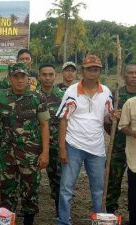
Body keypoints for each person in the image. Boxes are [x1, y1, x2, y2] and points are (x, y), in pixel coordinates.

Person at [0, 62, 50, 225]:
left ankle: (28, 221)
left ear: (28, 78)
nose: (20, 80)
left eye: (23, 76)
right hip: (7, 154)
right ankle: (7, 221)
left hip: (30, 155)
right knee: (7, 191)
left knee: (30, 191)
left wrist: (45, 152)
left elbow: (44, 125)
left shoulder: (38, 97)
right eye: (16, 76)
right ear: (9, 78)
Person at [56, 55, 113, 225]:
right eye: (89, 69)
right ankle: (64, 221)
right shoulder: (72, 91)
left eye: (96, 69)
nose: (92, 72)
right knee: (67, 188)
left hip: (97, 148)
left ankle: (99, 220)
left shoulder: (106, 92)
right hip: (73, 145)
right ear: (83, 70)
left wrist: (112, 117)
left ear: (99, 71)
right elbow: (63, 119)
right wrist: (62, 148)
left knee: (98, 189)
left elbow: (107, 118)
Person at [106, 64, 136, 213]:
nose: (134, 76)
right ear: (124, 75)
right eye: (130, 73)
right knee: (113, 181)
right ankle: (110, 214)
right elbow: (106, 122)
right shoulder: (116, 94)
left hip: (135, 148)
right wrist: (111, 118)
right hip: (118, 147)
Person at [38, 63, 64, 216]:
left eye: (51, 74)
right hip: (34, 146)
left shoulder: (62, 96)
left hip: (55, 146)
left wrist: (63, 147)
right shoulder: (32, 95)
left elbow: (67, 122)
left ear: (55, 76)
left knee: (57, 181)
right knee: (29, 180)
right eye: (44, 74)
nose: (47, 78)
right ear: (39, 76)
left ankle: (59, 211)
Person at [118, 96, 136, 225]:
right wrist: (134, 133)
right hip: (134, 158)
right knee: (134, 193)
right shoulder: (130, 103)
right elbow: (122, 126)